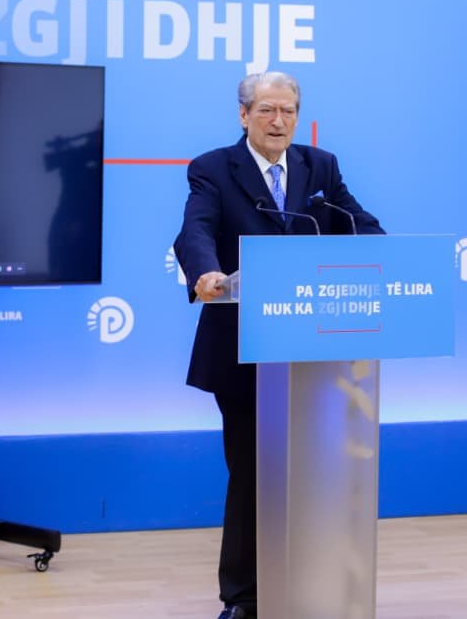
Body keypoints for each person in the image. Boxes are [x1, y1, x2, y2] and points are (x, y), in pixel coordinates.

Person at [172, 71, 383, 619]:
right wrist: (206, 272)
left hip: (312, 351)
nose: (278, 121)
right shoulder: (213, 168)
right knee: (252, 472)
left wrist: (385, 255)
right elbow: (195, 229)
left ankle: (310, 583)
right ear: (244, 115)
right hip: (244, 349)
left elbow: (357, 222)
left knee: (316, 470)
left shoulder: (320, 166)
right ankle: (243, 597)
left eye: (288, 111)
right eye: (266, 109)